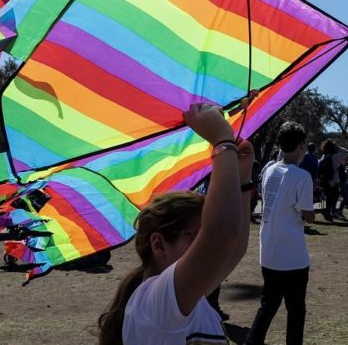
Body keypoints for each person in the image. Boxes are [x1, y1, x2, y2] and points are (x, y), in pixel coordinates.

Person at [97, 103, 254, 345]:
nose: (206, 243)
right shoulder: (156, 302)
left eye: (205, 234)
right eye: (198, 235)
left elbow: (234, 247)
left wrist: (243, 176)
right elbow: (222, 231)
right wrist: (223, 142)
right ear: (159, 244)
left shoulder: (179, 297)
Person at [245, 121, 314, 345]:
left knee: (268, 306)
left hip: (269, 252)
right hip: (292, 256)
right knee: (296, 311)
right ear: (301, 145)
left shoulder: (268, 169)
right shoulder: (302, 177)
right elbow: (308, 214)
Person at [318, 139, 348, 220]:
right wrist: (338, 146)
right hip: (334, 180)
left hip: (325, 180)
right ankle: (329, 212)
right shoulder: (335, 156)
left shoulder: (324, 156)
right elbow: (346, 152)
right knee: (334, 197)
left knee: (329, 197)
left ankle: (328, 212)